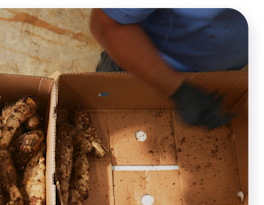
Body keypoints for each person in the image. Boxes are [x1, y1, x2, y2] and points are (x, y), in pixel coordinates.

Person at [89, 6, 250, 129]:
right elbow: (106, 25)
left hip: (215, 76)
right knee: (101, 120)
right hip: (147, 68)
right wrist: (179, 90)